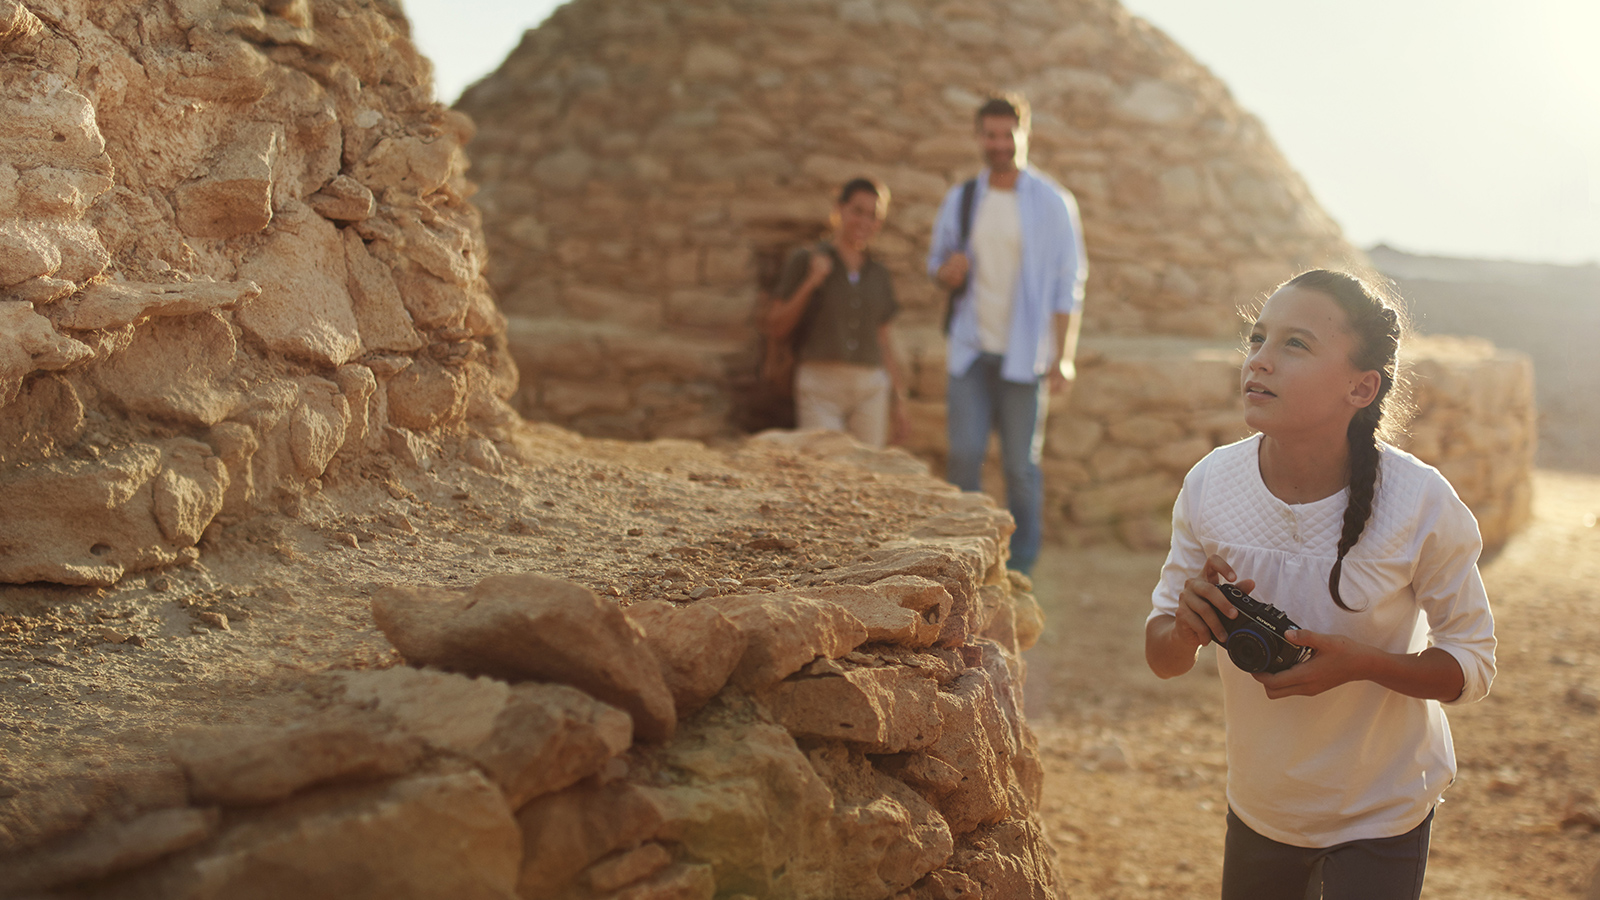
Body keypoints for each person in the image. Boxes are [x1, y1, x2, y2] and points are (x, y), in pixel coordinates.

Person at [1144, 270, 1497, 900]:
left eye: (1295, 345)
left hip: (1383, 810)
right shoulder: (1210, 485)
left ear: (1362, 387)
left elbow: (1472, 666)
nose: (1260, 360)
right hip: (1261, 806)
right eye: (1258, 339)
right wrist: (1187, 626)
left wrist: (1362, 665)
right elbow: (1163, 658)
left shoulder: (1419, 502)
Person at [927, 93, 1086, 575]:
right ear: (979, 138)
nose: (999, 144)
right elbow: (938, 263)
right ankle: (961, 559)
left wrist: (1064, 355)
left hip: (1026, 356)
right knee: (965, 456)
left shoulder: (1053, 203)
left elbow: (1069, 283)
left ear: (1024, 135)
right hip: (972, 351)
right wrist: (947, 272)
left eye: (1007, 135)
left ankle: (1021, 567)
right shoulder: (963, 199)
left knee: (1021, 467)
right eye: (990, 135)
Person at [766, 177, 909, 449]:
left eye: (874, 216)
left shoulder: (878, 274)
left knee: (867, 476)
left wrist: (898, 401)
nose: (865, 222)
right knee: (826, 471)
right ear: (840, 209)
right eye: (858, 211)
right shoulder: (806, 259)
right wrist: (811, 282)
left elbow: (884, 340)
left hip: (870, 388)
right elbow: (775, 326)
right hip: (820, 386)